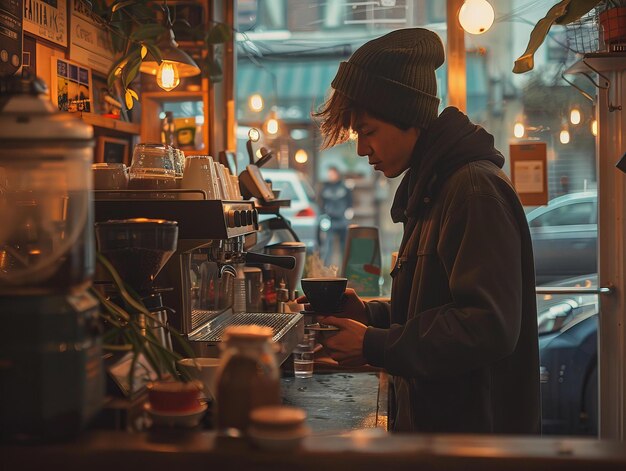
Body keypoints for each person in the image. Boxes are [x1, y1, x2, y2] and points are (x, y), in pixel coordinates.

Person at [305, 28, 541, 434]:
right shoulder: (432, 188)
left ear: (408, 116)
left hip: (476, 444)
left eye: (367, 130)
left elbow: (487, 325)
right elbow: (435, 309)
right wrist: (370, 314)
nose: (361, 149)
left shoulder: (471, 189)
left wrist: (373, 344)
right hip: (443, 432)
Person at [320, 165, 353, 266]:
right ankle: (326, 268)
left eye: (332, 174)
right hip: (329, 220)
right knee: (328, 245)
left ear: (337, 174)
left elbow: (350, 201)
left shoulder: (345, 187)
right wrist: (323, 216)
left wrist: (349, 212)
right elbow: (321, 203)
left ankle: (346, 267)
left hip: (342, 219)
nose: (330, 176)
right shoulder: (325, 188)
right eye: (329, 174)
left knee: (345, 245)